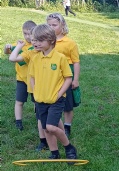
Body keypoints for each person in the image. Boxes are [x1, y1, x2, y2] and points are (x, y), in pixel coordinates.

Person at [11, 24, 77, 160]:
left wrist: (59, 94)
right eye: (35, 40)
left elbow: (68, 78)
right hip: (40, 99)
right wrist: (35, 93)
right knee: (46, 128)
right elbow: (32, 77)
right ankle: (54, 153)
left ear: (51, 41)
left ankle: (69, 147)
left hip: (56, 99)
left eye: (40, 40)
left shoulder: (60, 58)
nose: (36, 43)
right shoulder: (35, 58)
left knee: (51, 127)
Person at [46, 13, 81, 139]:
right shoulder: (47, 42)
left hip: (67, 75)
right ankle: (50, 122)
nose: (51, 27)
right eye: (49, 25)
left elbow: (76, 62)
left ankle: (67, 126)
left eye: (54, 25)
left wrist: (75, 79)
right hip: (51, 75)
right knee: (51, 99)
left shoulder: (70, 43)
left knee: (67, 103)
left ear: (62, 25)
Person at [4, 20, 37, 131]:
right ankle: (18, 121)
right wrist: (7, 47)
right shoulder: (20, 44)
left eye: (30, 34)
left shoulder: (37, 45)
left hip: (35, 79)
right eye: (25, 33)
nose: (27, 36)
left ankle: (39, 118)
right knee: (19, 101)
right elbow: (8, 53)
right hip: (21, 79)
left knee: (37, 100)